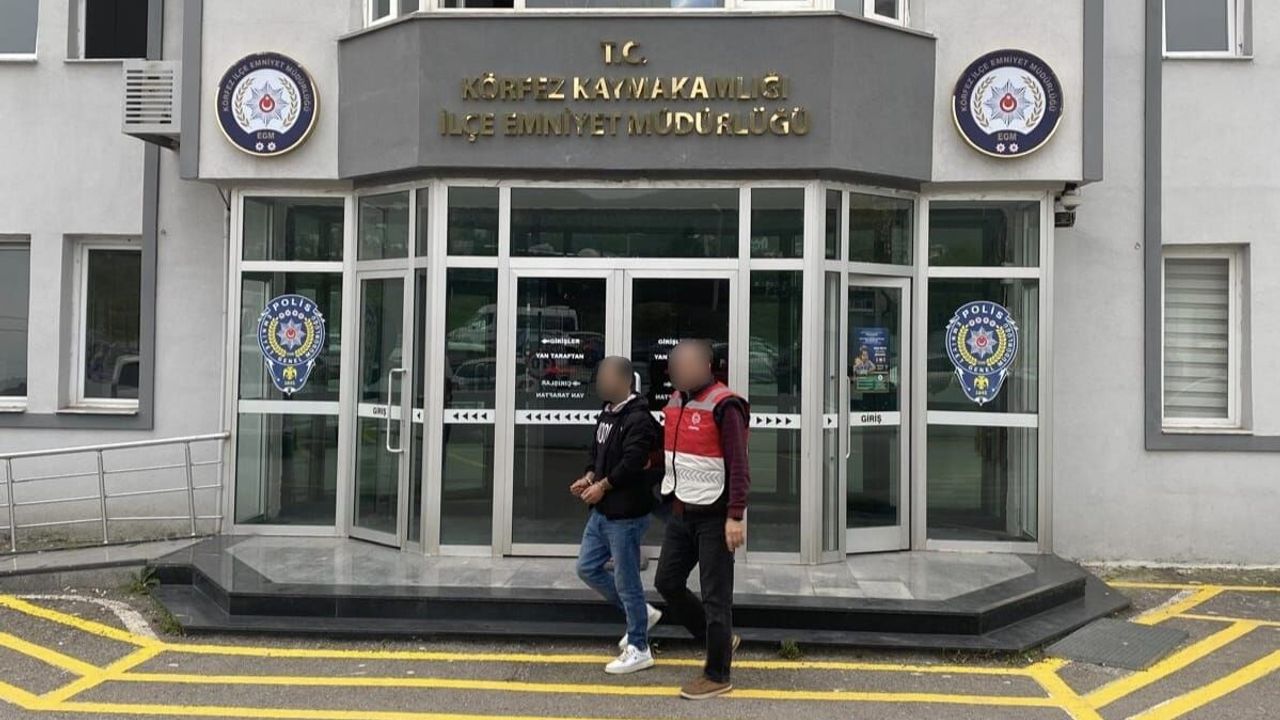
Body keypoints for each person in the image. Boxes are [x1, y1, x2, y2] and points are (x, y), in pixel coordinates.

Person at [654, 339, 750, 700]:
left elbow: (739, 465)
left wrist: (735, 516)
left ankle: (717, 674)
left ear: (706, 365)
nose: (678, 371)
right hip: (681, 513)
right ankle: (718, 640)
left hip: (714, 516)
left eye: (686, 364)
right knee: (667, 581)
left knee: (715, 597)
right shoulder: (676, 400)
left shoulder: (725, 405)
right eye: (674, 365)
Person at [571, 356, 665, 675]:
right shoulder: (608, 412)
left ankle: (639, 647)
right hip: (602, 512)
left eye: (606, 377)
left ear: (625, 381)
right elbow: (596, 453)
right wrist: (589, 476)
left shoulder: (638, 419)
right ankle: (641, 613)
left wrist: (603, 486)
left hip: (626, 514)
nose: (600, 382)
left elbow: (632, 463)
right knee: (586, 568)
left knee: (627, 581)